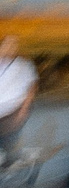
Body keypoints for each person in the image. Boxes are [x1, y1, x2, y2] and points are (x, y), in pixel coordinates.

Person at [0, 35, 34, 170]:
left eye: (13, 46)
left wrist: (23, 110)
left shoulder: (23, 65)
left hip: (14, 110)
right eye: (7, 45)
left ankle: (15, 165)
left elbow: (31, 87)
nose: (9, 48)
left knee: (8, 141)